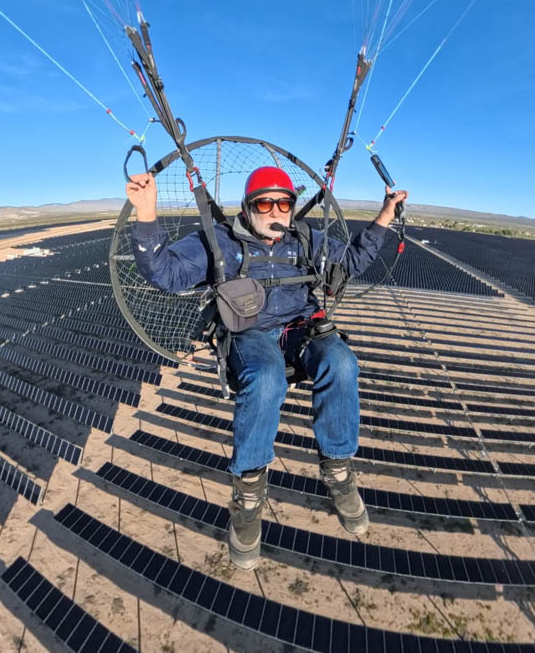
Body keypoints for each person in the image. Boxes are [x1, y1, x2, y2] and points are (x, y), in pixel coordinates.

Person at [125, 166, 407, 569]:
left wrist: (384, 216)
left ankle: (338, 470)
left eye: (284, 203)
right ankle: (249, 495)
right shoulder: (219, 242)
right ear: (247, 207)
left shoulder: (305, 239)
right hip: (250, 332)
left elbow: (352, 261)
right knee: (267, 378)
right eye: (264, 203)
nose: (275, 211)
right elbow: (165, 274)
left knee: (342, 362)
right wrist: (147, 214)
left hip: (300, 327)